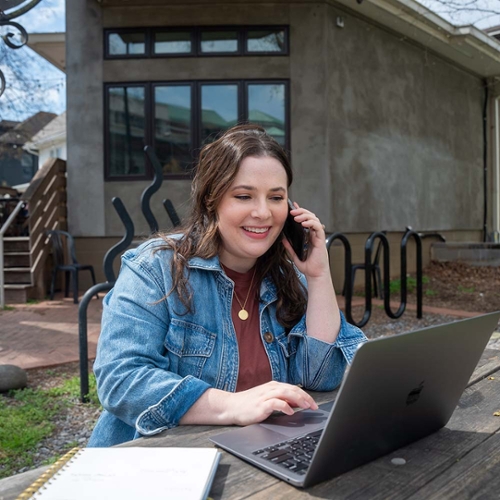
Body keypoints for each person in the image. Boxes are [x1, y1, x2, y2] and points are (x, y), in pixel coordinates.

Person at [88, 124, 367, 447]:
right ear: (212, 199)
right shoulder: (155, 267)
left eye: (276, 197)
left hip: (256, 456)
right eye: (243, 196)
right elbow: (120, 380)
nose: (263, 212)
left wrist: (319, 277)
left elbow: (321, 377)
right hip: (157, 463)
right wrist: (231, 405)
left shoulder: (289, 277)